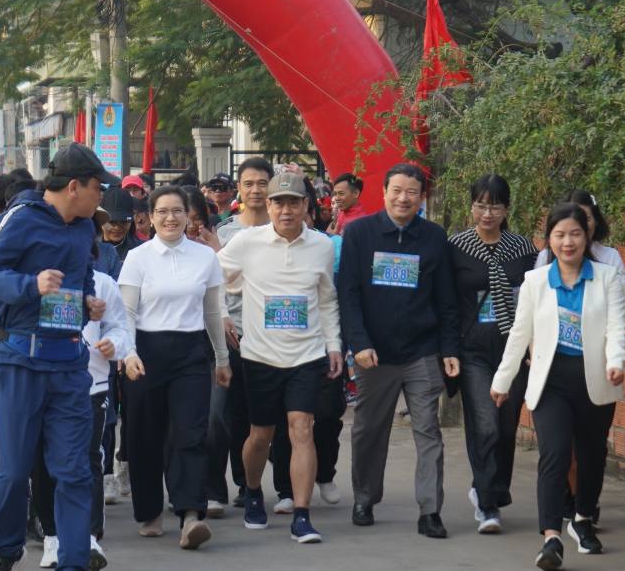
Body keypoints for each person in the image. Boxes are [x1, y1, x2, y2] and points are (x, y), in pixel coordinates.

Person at [0, 143, 115, 571]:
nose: (102, 199)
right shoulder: (19, 219)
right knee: (13, 472)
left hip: (69, 363)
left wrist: (88, 302)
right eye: (98, 188)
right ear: (74, 186)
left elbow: (82, 278)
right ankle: (6, 554)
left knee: (74, 469)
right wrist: (28, 285)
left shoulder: (82, 230)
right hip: (16, 361)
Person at [490, 203, 625, 571]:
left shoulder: (606, 277)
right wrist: (503, 380)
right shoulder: (536, 282)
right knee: (554, 454)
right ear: (549, 240)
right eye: (560, 235)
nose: (568, 242)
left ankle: (582, 518)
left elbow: (616, 327)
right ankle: (551, 538)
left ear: (588, 236)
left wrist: (616, 362)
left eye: (575, 234)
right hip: (550, 380)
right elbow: (521, 334)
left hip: (595, 377)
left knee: (592, 455)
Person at [217, 171, 341, 543]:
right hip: (259, 357)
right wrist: (222, 315)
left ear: (306, 206)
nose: (285, 210)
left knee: (302, 429)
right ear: (267, 206)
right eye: (278, 202)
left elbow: (326, 299)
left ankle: (301, 515)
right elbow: (212, 278)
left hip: (306, 355)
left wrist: (333, 345)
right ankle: (254, 490)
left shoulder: (321, 246)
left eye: (293, 202)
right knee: (260, 435)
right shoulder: (246, 242)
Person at [337, 163, 460, 538]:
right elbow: (349, 294)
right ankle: (364, 497)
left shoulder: (434, 237)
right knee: (369, 430)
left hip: (422, 351)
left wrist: (448, 348)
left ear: (422, 198)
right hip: (374, 353)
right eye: (397, 190)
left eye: (412, 192)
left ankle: (430, 510)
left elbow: (446, 298)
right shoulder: (359, 233)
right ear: (384, 192)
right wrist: (359, 343)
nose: (403, 198)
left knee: (428, 431)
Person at [119, 185, 230, 550]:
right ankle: (149, 511)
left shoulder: (204, 258)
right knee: (144, 435)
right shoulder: (138, 257)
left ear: (188, 215)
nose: (170, 218)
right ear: (150, 217)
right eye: (162, 211)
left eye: (177, 211)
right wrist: (128, 353)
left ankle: (190, 514)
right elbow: (128, 313)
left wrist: (222, 358)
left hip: (191, 354)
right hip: (145, 353)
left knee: (190, 433)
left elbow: (213, 312)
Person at [32, 236, 132, 571]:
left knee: (87, 460)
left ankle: (88, 538)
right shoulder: (38, 281)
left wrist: (113, 344)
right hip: (44, 383)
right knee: (45, 462)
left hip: (92, 385)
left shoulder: (103, 284)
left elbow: (121, 329)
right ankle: (52, 536)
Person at [448, 174, 538, 534]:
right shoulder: (456, 248)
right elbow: (448, 303)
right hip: (473, 350)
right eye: (481, 205)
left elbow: (535, 301)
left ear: (506, 209)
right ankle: (488, 505)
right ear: (471, 206)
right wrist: (448, 349)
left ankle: (490, 488)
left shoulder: (523, 250)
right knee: (484, 424)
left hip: (512, 350)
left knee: (504, 427)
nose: (487, 213)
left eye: (495, 206)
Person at [207, 157, 272, 516]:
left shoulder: (283, 229)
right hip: (227, 334)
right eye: (249, 183)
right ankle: (214, 488)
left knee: (254, 417)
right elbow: (213, 282)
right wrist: (220, 320)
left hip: (268, 338)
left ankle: (248, 486)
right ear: (239, 188)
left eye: (263, 183)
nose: (256, 190)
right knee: (219, 415)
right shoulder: (225, 232)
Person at [534, 190, 625, 361]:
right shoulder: (546, 257)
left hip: (596, 352)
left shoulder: (610, 257)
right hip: (553, 352)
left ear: (595, 220)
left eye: (585, 218)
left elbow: (624, 301)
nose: (580, 225)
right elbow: (535, 307)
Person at [99, 187, 141, 261]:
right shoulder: (86, 249)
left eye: (124, 221)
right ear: (101, 219)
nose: (117, 227)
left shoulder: (140, 250)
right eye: (112, 222)